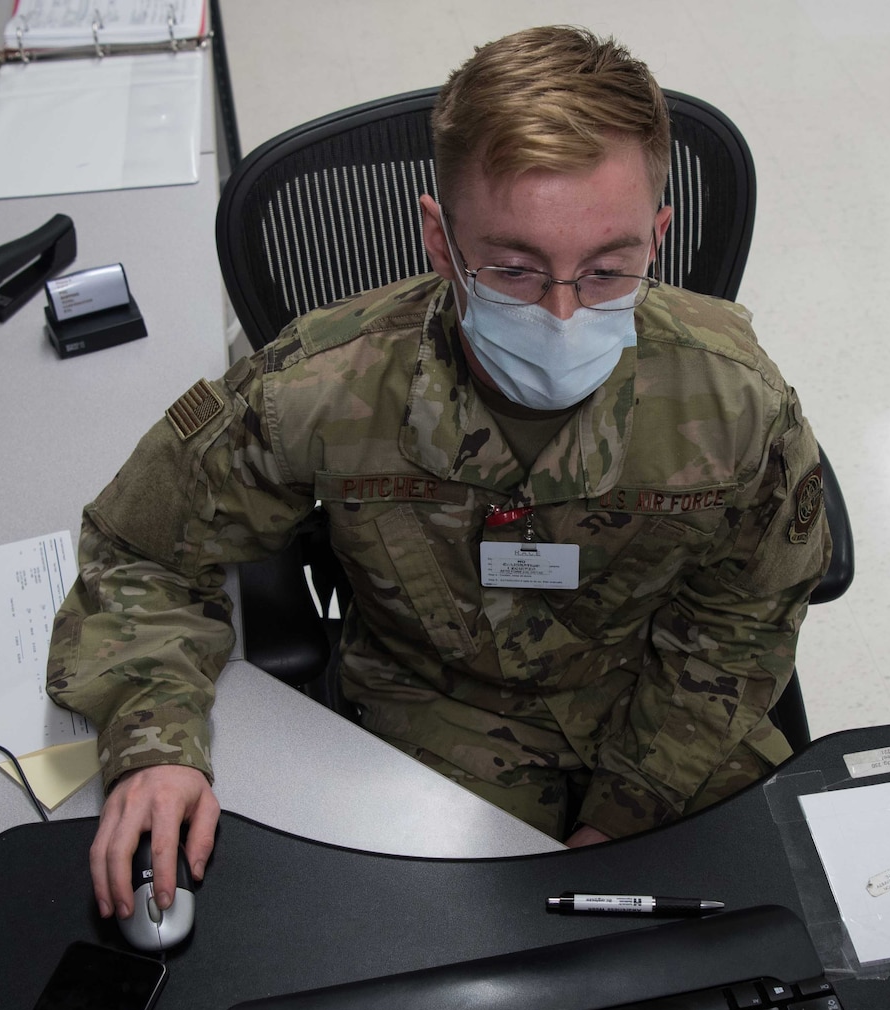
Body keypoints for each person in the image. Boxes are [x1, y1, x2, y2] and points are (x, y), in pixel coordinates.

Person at [48, 25, 830, 923]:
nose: (564, 311)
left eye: (610, 268)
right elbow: (140, 550)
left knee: (764, 977)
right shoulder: (321, 387)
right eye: (513, 267)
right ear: (438, 238)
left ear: (660, 235)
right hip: (436, 719)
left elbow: (750, 608)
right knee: (419, 981)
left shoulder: (734, 399)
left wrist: (632, 808)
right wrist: (156, 741)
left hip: (664, 703)